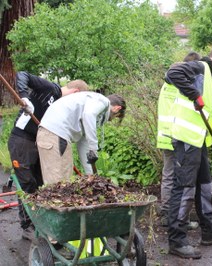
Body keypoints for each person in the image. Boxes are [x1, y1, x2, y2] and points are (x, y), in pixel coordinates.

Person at [159, 42, 212, 259]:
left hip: (199, 141)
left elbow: (207, 118)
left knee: (205, 185)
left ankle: (210, 231)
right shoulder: (200, 68)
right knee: (183, 189)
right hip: (185, 139)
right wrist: (194, 94)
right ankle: (177, 240)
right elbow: (172, 72)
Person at [8, 71, 88, 241]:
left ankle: (42, 223)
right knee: (27, 184)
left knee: (42, 184)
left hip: (41, 143)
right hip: (22, 141)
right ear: (76, 93)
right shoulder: (50, 88)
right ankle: (27, 226)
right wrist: (25, 97)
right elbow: (22, 75)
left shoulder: (61, 105)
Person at [36, 92, 126, 184]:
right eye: (116, 117)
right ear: (117, 108)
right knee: (60, 183)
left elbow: (84, 143)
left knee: (57, 182)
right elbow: (89, 115)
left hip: (49, 135)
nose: (111, 120)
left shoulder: (90, 103)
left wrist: (91, 175)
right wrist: (94, 147)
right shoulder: (103, 101)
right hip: (56, 135)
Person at [157, 51, 201, 230]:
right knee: (181, 178)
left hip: (165, 135)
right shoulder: (181, 87)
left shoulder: (166, 86)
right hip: (178, 136)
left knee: (168, 176)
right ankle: (178, 217)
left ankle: (166, 214)